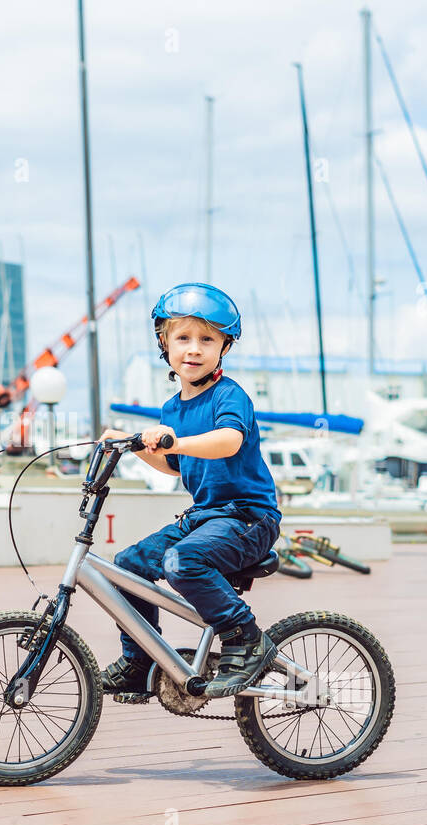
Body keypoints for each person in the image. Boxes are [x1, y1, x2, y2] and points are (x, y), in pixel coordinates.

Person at [97, 282, 283, 699]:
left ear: (224, 347)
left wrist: (174, 441)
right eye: (183, 338)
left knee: (182, 560)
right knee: (127, 565)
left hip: (248, 518)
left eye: (207, 339)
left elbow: (228, 441)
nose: (194, 349)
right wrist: (131, 444)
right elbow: (173, 464)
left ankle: (245, 637)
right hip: (205, 516)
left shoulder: (229, 395)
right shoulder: (172, 408)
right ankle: (141, 658)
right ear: (164, 343)